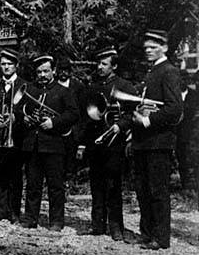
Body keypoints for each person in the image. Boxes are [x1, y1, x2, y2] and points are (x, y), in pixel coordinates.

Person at [128, 29, 183, 250]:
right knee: (142, 188)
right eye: (146, 48)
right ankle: (147, 232)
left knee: (157, 189)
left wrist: (148, 121)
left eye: (153, 47)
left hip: (158, 140)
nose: (148, 51)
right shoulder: (152, 72)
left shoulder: (168, 71)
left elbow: (174, 109)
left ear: (165, 48)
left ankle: (161, 238)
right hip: (144, 141)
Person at [18, 54, 79, 231]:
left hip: (54, 144)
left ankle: (56, 221)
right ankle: (30, 218)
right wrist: (25, 118)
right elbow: (18, 109)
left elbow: (74, 114)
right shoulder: (30, 89)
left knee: (55, 186)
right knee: (32, 184)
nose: (42, 75)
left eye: (46, 71)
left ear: (53, 71)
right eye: (39, 72)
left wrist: (54, 122)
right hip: (33, 144)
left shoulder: (63, 91)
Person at [82, 46, 136, 241]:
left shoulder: (125, 86)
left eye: (104, 64)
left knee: (113, 185)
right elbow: (86, 117)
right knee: (96, 185)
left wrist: (120, 125)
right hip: (96, 144)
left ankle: (115, 227)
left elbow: (133, 114)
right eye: (98, 63)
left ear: (114, 66)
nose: (99, 67)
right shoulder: (93, 87)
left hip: (115, 143)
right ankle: (97, 225)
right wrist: (83, 144)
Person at [0, 49, 27, 224]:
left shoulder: (24, 85)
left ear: (16, 66)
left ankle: (14, 211)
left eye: (10, 64)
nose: (6, 67)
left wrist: (17, 117)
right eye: (3, 64)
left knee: (15, 176)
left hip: (16, 138)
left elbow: (28, 110)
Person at [56, 57, 87, 186]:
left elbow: (83, 109)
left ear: (70, 71)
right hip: (57, 126)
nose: (63, 73)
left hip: (74, 127)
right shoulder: (53, 85)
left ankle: (71, 180)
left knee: (71, 155)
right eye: (61, 70)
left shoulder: (78, 86)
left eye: (66, 70)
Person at [176, 71, 199, 205]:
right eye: (180, 79)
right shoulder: (173, 95)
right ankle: (185, 184)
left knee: (193, 159)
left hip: (192, 133)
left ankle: (194, 186)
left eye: (185, 79)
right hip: (178, 133)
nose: (182, 82)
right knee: (182, 158)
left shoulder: (194, 95)